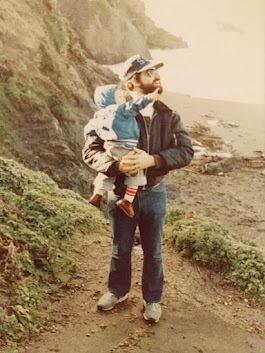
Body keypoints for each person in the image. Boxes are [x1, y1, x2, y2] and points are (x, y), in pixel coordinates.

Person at [82, 54, 194, 323]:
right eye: (149, 72)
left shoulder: (169, 115)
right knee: (120, 248)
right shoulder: (109, 115)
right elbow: (90, 150)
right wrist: (115, 166)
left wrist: (153, 160)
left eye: (156, 71)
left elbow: (186, 151)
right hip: (119, 192)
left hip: (155, 193)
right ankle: (117, 291)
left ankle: (152, 300)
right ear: (133, 81)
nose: (157, 76)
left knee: (153, 251)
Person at [84, 83, 160, 217]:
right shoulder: (119, 109)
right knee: (136, 169)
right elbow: (134, 105)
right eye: (118, 96)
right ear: (110, 100)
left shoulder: (100, 114)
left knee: (108, 171)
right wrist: (149, 97)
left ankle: (97, 195)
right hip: (125, 145)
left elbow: (90, 129)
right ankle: (127, 201)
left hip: (110, 146)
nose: (123, 97)